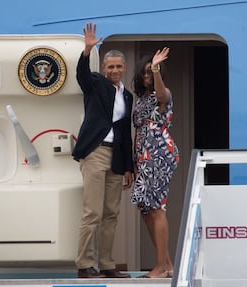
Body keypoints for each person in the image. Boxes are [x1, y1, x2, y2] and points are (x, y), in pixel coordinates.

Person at [72, 22, 134, 279]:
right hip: (95, 152)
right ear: (104, 68)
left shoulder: (127, 95)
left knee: (111, 214)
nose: (115, 70)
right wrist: (87, 51)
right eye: (111, 66)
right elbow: (82, 75)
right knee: (93, 212)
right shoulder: (95, 83)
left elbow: (125, 133)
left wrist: (129, 165)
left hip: (117, 157)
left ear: (124, 68)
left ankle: (107, 264)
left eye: (119, 66)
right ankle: (84, 265)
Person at [130, 48, 179, 278]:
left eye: (151, 72)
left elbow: (161, 96)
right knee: (146, 209)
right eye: (145, 73)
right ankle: (166, 264)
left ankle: (160, 266)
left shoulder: (163, 92)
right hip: (143, 155)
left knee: (157, 208)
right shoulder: (141, 99)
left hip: (158, 152)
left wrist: (157, 69)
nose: (147, 76)